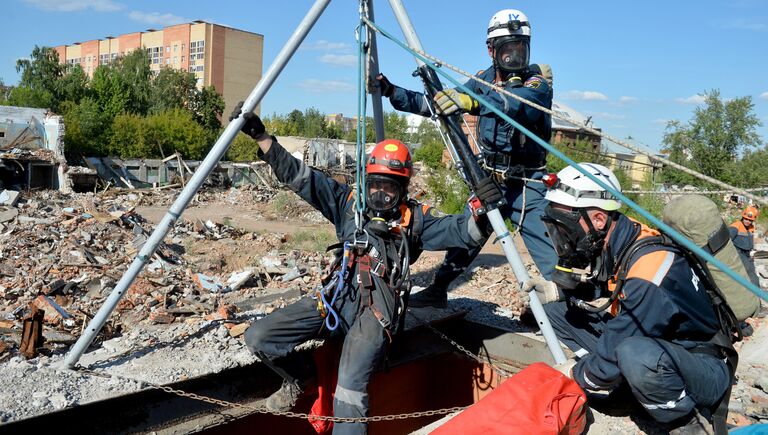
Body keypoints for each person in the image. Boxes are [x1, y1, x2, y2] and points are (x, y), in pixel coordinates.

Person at [230, 103, 500, 434]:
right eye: (375, 186)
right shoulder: (347, 204)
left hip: (376, 312)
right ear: (366, 181)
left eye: (390, 188)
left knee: (350, 384)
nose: (381, 195)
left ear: (403, 189)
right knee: (260, 336)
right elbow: (298, 176)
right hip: (336, 296)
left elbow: (462, 231)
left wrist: (484, 212)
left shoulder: (415, 221)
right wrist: (261, 136)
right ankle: (300, 377)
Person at [525, 163, 735, 433]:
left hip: (702, 364)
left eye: (565, 229)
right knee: (555, 313)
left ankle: (686, 424)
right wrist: (560, 291)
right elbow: (610, 289)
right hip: (658, 343)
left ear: (598, 219)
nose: (563, 238)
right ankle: (626, 382)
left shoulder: (650, 269)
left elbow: (629, 320)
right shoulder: (620, 237)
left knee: (633, 355)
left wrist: (575, 376)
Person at [376, 8, 556, 308]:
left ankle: (569, 313)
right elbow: (437, 105)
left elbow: (519, 105)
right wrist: (391, 91)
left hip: (527, 186)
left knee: (550, 256)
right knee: (467, 237)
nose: (514, 57)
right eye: (507, 50)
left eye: (520, 49)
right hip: (489, 183)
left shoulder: (536, 83)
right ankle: (438, 290)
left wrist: (471, 100)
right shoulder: (483, 80)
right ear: (491, 50)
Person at [729, 205, 760, 286]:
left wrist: (752, 250)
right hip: (738, 252)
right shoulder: (736, 226)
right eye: (746, 218)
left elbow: (750, 239)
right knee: (749, 271)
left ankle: (756, 290)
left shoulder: (751, 227)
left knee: (752, 270)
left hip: (747, 253)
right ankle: (756, 291)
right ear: (743, 216)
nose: (748, 221)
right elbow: (728, 241)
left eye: (750, 220)